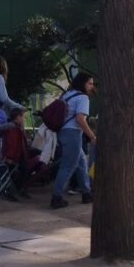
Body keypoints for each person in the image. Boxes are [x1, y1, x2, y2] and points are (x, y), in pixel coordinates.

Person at [50, 72, 95, 209]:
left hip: (62, 132)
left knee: (81, 163)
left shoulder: (67, 94)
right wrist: (92, 136)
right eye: (89, 83)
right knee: (68, 165)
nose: (92, 87)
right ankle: (56, 197)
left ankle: (86, 193)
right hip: (73, 133)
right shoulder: (83, 97)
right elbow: (80, 119)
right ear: (83, 83)